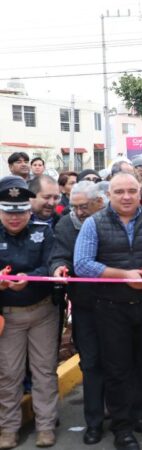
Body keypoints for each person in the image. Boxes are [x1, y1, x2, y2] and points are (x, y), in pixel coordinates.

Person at [73, 173, 142, 450]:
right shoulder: (93, 224)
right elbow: (82, 265)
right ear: (109, 195)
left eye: (132, 190)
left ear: (140, 192)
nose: (126, 196)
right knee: (117, 371)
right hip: (110, 308)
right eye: (119, 191)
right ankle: (123, 429)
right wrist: (123, 275)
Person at [0, 176, 57, 449]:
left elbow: (51, 264)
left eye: (21, 211)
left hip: (43, 312)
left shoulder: (43, 231)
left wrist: (29, 277)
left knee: (44, 371)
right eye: (8, 212)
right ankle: (8, 429)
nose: (15, 218)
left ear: (28, 210)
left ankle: (46, 426)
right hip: (8, 316)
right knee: (8, 374)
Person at [49, 180, 106, 445]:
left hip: (118, 306)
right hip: (84, 307)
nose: (79, 212)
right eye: (75, 206)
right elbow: (58, 254)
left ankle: (125, 415)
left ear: (100, 203)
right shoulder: (65, 224)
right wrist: (59, 267)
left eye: (84, 207)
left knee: (122, 363)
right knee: (91, 364)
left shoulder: (112, 221)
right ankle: (93, 422)